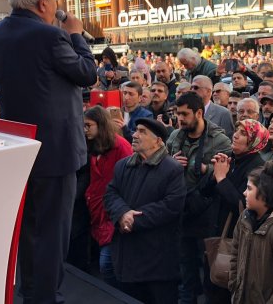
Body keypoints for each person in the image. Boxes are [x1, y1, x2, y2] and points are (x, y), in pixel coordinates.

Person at [0, 0, 97, 303]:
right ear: (45, 2)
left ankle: (29, 292)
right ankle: (44, 298)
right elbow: (88, 74)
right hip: (56, 153)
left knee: (28, 231)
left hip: (18, 146)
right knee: (52, 235)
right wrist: (75, 34)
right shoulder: (51, 36)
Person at [103, 118, 186, 304]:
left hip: (158, 262)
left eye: (142, 132)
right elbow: (110, 193)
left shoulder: (172, 169)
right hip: (127, 256)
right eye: (135, 130)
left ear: (158, 141)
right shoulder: (123, 165)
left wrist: (134, 220)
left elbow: (171, 206)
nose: (134, 135)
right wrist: (123, 213)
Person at [166, 92, 232, 303]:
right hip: (181, 211)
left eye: (185, 114)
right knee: (185, 271)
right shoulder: (176, 136)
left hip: (207, 212)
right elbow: (161, 163)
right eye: (178, 114)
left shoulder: (219, 139)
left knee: (209, 270)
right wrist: (171, 164)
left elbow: (229, 171)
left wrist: (206, 168)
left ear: (199, 113)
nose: (180, 119)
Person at [200, 119, 268, 302]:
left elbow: (244, 205)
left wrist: (222, 179)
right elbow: (205, 192)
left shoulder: (259, 167)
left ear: (254, 140)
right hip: (215, 233)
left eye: (243, 133)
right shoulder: (230, 158)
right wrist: (215, 175)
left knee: (226, 292)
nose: (235, 135)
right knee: (210, 288)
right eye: (236, 130)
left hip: (235, 240)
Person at [229, 161, 273, 304]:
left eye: (249, 188)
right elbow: (235, 252)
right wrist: (234, 283)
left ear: (264, 193)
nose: (244, 193)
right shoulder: (245, 217)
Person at [83, 106, 133, 287]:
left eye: (89, 125)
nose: (85, 129)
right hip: (97, 212)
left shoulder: (121, 146)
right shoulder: (93, 146)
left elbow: (129, 180)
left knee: (107, 266)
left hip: (113, 213)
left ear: (101, 125)